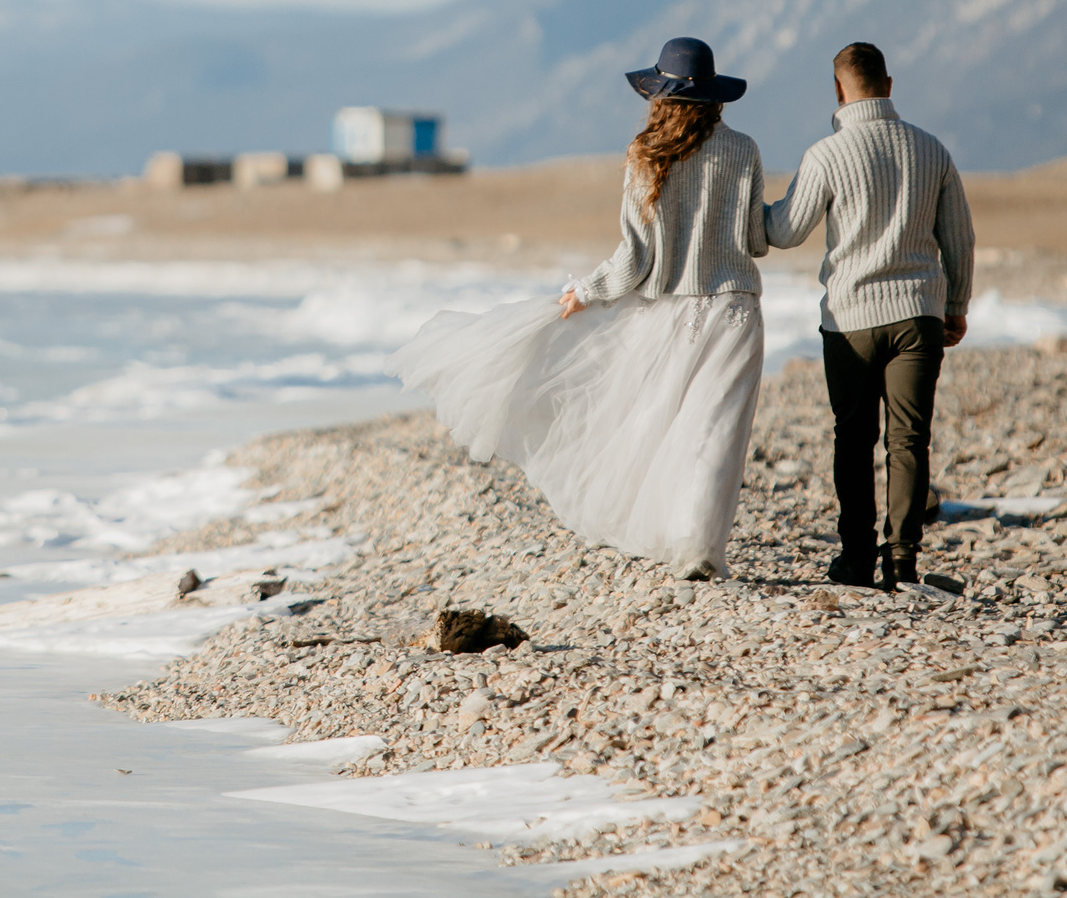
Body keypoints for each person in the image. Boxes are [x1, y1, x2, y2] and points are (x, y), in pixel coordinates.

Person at [390, 37, 767, 580]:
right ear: (715, 97)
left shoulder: (644, 154)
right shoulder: (746, 150)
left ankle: (681, 542)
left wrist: (586, 291)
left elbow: (635, 260)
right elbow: (755, 239)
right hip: (734, 310)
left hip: (667, 313)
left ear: (658, 95)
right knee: (717, 429)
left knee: (664, 427)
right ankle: (700, 549)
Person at [764, 41, 975, 592]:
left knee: (852, 440)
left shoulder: (827, 155)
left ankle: (855, 558)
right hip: (917, 315)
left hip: (850, 318)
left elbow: (785, 231)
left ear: (838, 90)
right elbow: (959, 239)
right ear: (889, 83)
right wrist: (956, 306)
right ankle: (902, 560)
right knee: (909, 438)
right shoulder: (931, 150)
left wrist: (739, 212)